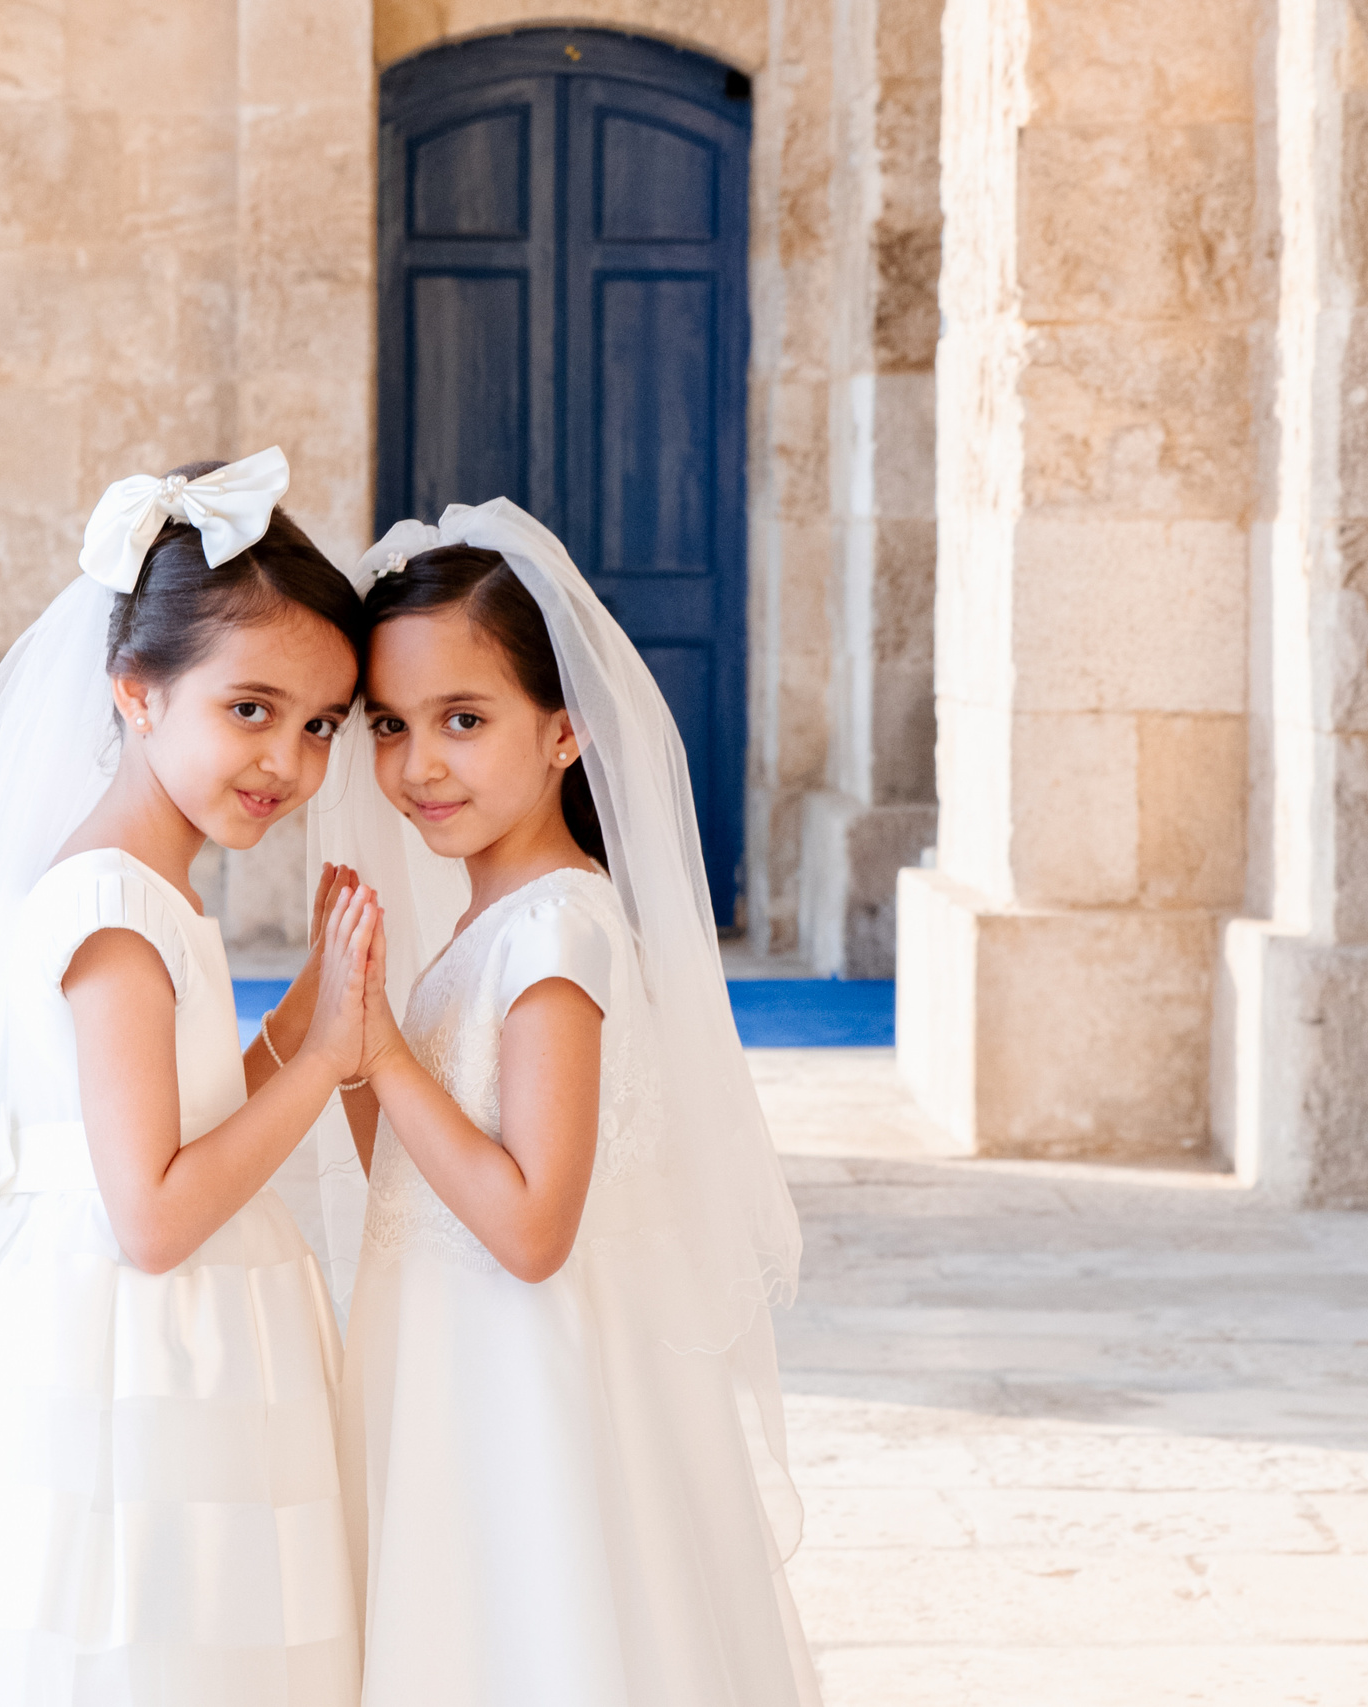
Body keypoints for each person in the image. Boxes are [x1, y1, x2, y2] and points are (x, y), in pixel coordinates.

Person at [0, 449, 377, 1706]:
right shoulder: (116, 911)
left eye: (320, 727)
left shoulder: (149, 887)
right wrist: (332, 1060)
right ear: (137, 695)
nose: (285, 763)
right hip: (127, 1343)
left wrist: (299, 1019)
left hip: (156, 1324)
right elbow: (158, 1214)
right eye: (250, 709)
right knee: (132, 1629)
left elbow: (177, 1121)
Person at [295, 498, 820, 1705]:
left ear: (565, 734)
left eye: (464, 721)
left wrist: (382, 1046)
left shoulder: (557, 938)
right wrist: (349, 1036)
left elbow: (531, 1229)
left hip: (515, 1383)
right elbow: (410, 1167)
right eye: (389, 725)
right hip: (434, 1352)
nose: (418, 765)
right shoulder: (485, 923)